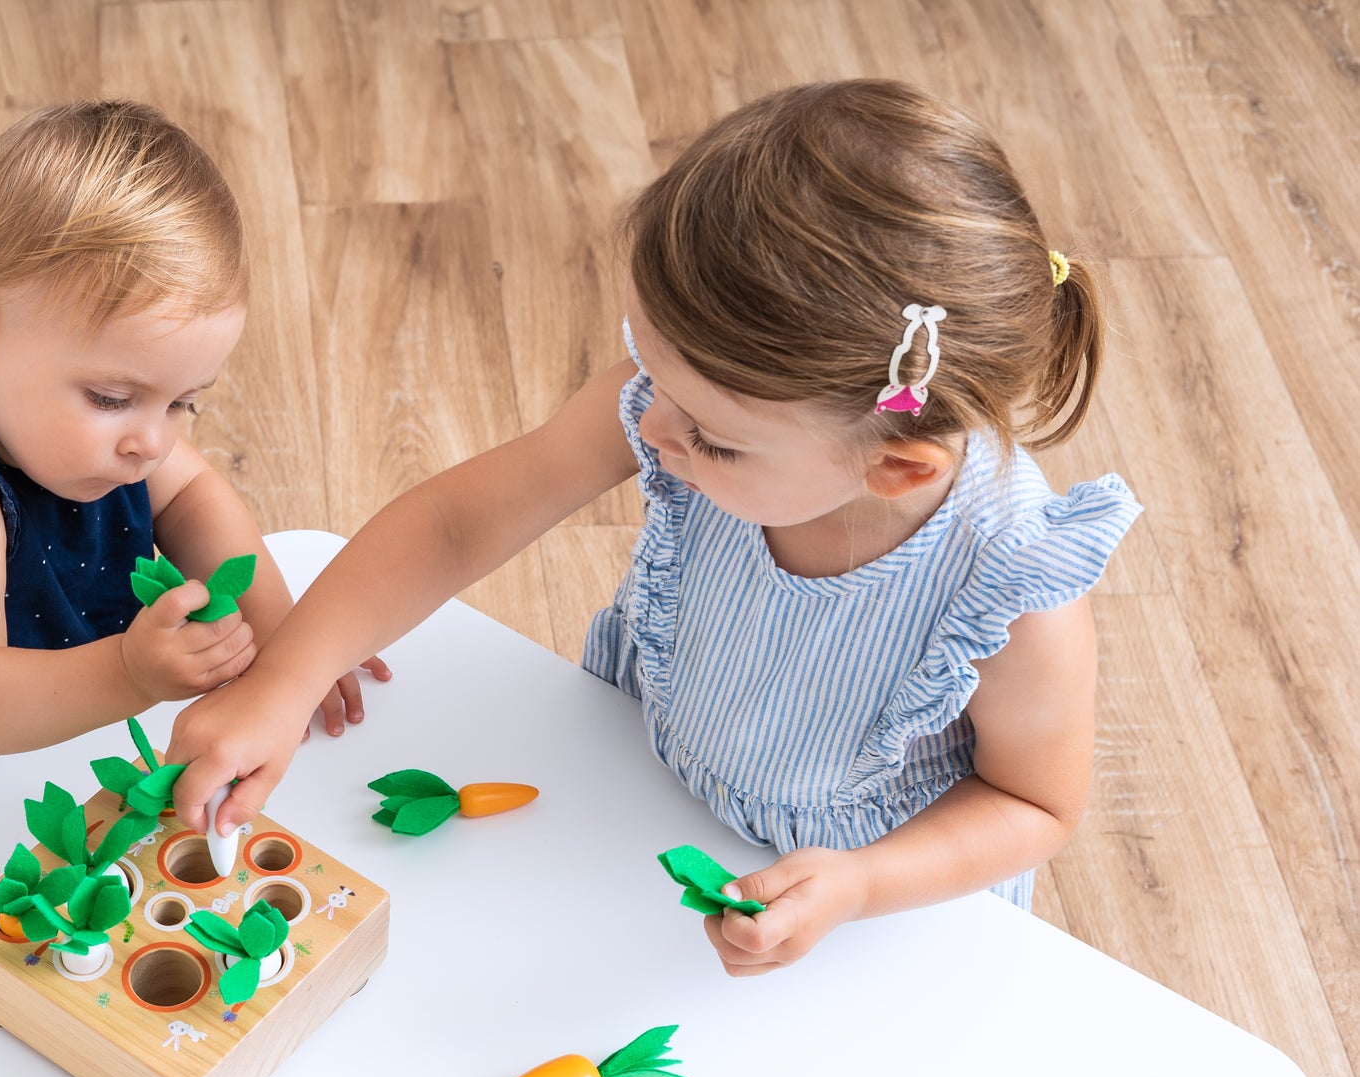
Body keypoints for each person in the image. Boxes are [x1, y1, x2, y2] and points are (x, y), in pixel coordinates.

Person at [168, 80, 1140, 976]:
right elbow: (455, 525)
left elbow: (1031, 804)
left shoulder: (1013, 593)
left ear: (895, 466)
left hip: (860, 917)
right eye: (648, 364)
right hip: (634, 781)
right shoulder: (688, 404)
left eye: (711, 437)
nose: (652, 427)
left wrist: (858, 885)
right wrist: (286, 681)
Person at [0, 101, 385, 924]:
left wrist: (287, 643)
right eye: (115, 398)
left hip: (59, 720)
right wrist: (129, 672)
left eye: (184, 403)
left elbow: (194, 494)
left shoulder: (82, 430)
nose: (152, 442)